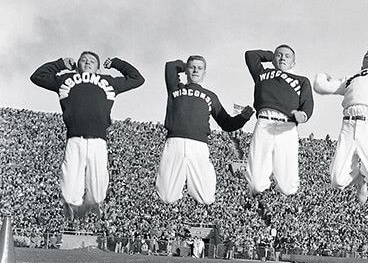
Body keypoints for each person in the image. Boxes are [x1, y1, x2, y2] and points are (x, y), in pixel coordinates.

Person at [30, 51, 145, 221]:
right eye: (83, 60)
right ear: (77, 66)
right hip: (75, 138)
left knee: (98, 185)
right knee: (69, 179)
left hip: (98, 139)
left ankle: (93, 204)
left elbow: (137, 78)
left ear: (98, 69)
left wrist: (116, 63)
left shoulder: (108, 81)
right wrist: (61, 63)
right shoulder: (66, 79)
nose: (87, 62)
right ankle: (71, 205)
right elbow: (37, 77)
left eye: (92, 61)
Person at [156, 56, 254, 205]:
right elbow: (170, 66)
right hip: (174, 142)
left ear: (204, 73)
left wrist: (243, 117)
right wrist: (186, 65)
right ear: (186, 70)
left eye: (200, 68)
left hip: (199, 145)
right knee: (167, 197)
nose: (196, 70)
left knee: (206, 198)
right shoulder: (175, 88)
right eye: (192, 67)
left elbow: (226, 123)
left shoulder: (210, 96)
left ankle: (192, 189)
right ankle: (181, 194)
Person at [314, 47, 368, 203]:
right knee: (337, 180)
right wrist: (322, 77)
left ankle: (365, 179)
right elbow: (323, 87)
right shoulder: (352, 77)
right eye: (367, 55)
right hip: (349, 123)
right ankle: (359, 181)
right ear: (362, 64)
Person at [244, 45, 314, 196]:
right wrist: (272, 55)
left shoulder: (301, 80)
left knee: (288, 188)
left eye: (287, 56)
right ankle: (263, 196)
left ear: (293, 63)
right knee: (255, 184)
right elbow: (250, 55)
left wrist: (303, 115)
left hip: (286, 126)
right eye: (279, 55)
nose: (283, 58)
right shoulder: (262, 74)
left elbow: (307, 105)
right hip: (264, 122)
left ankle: (275, 197)